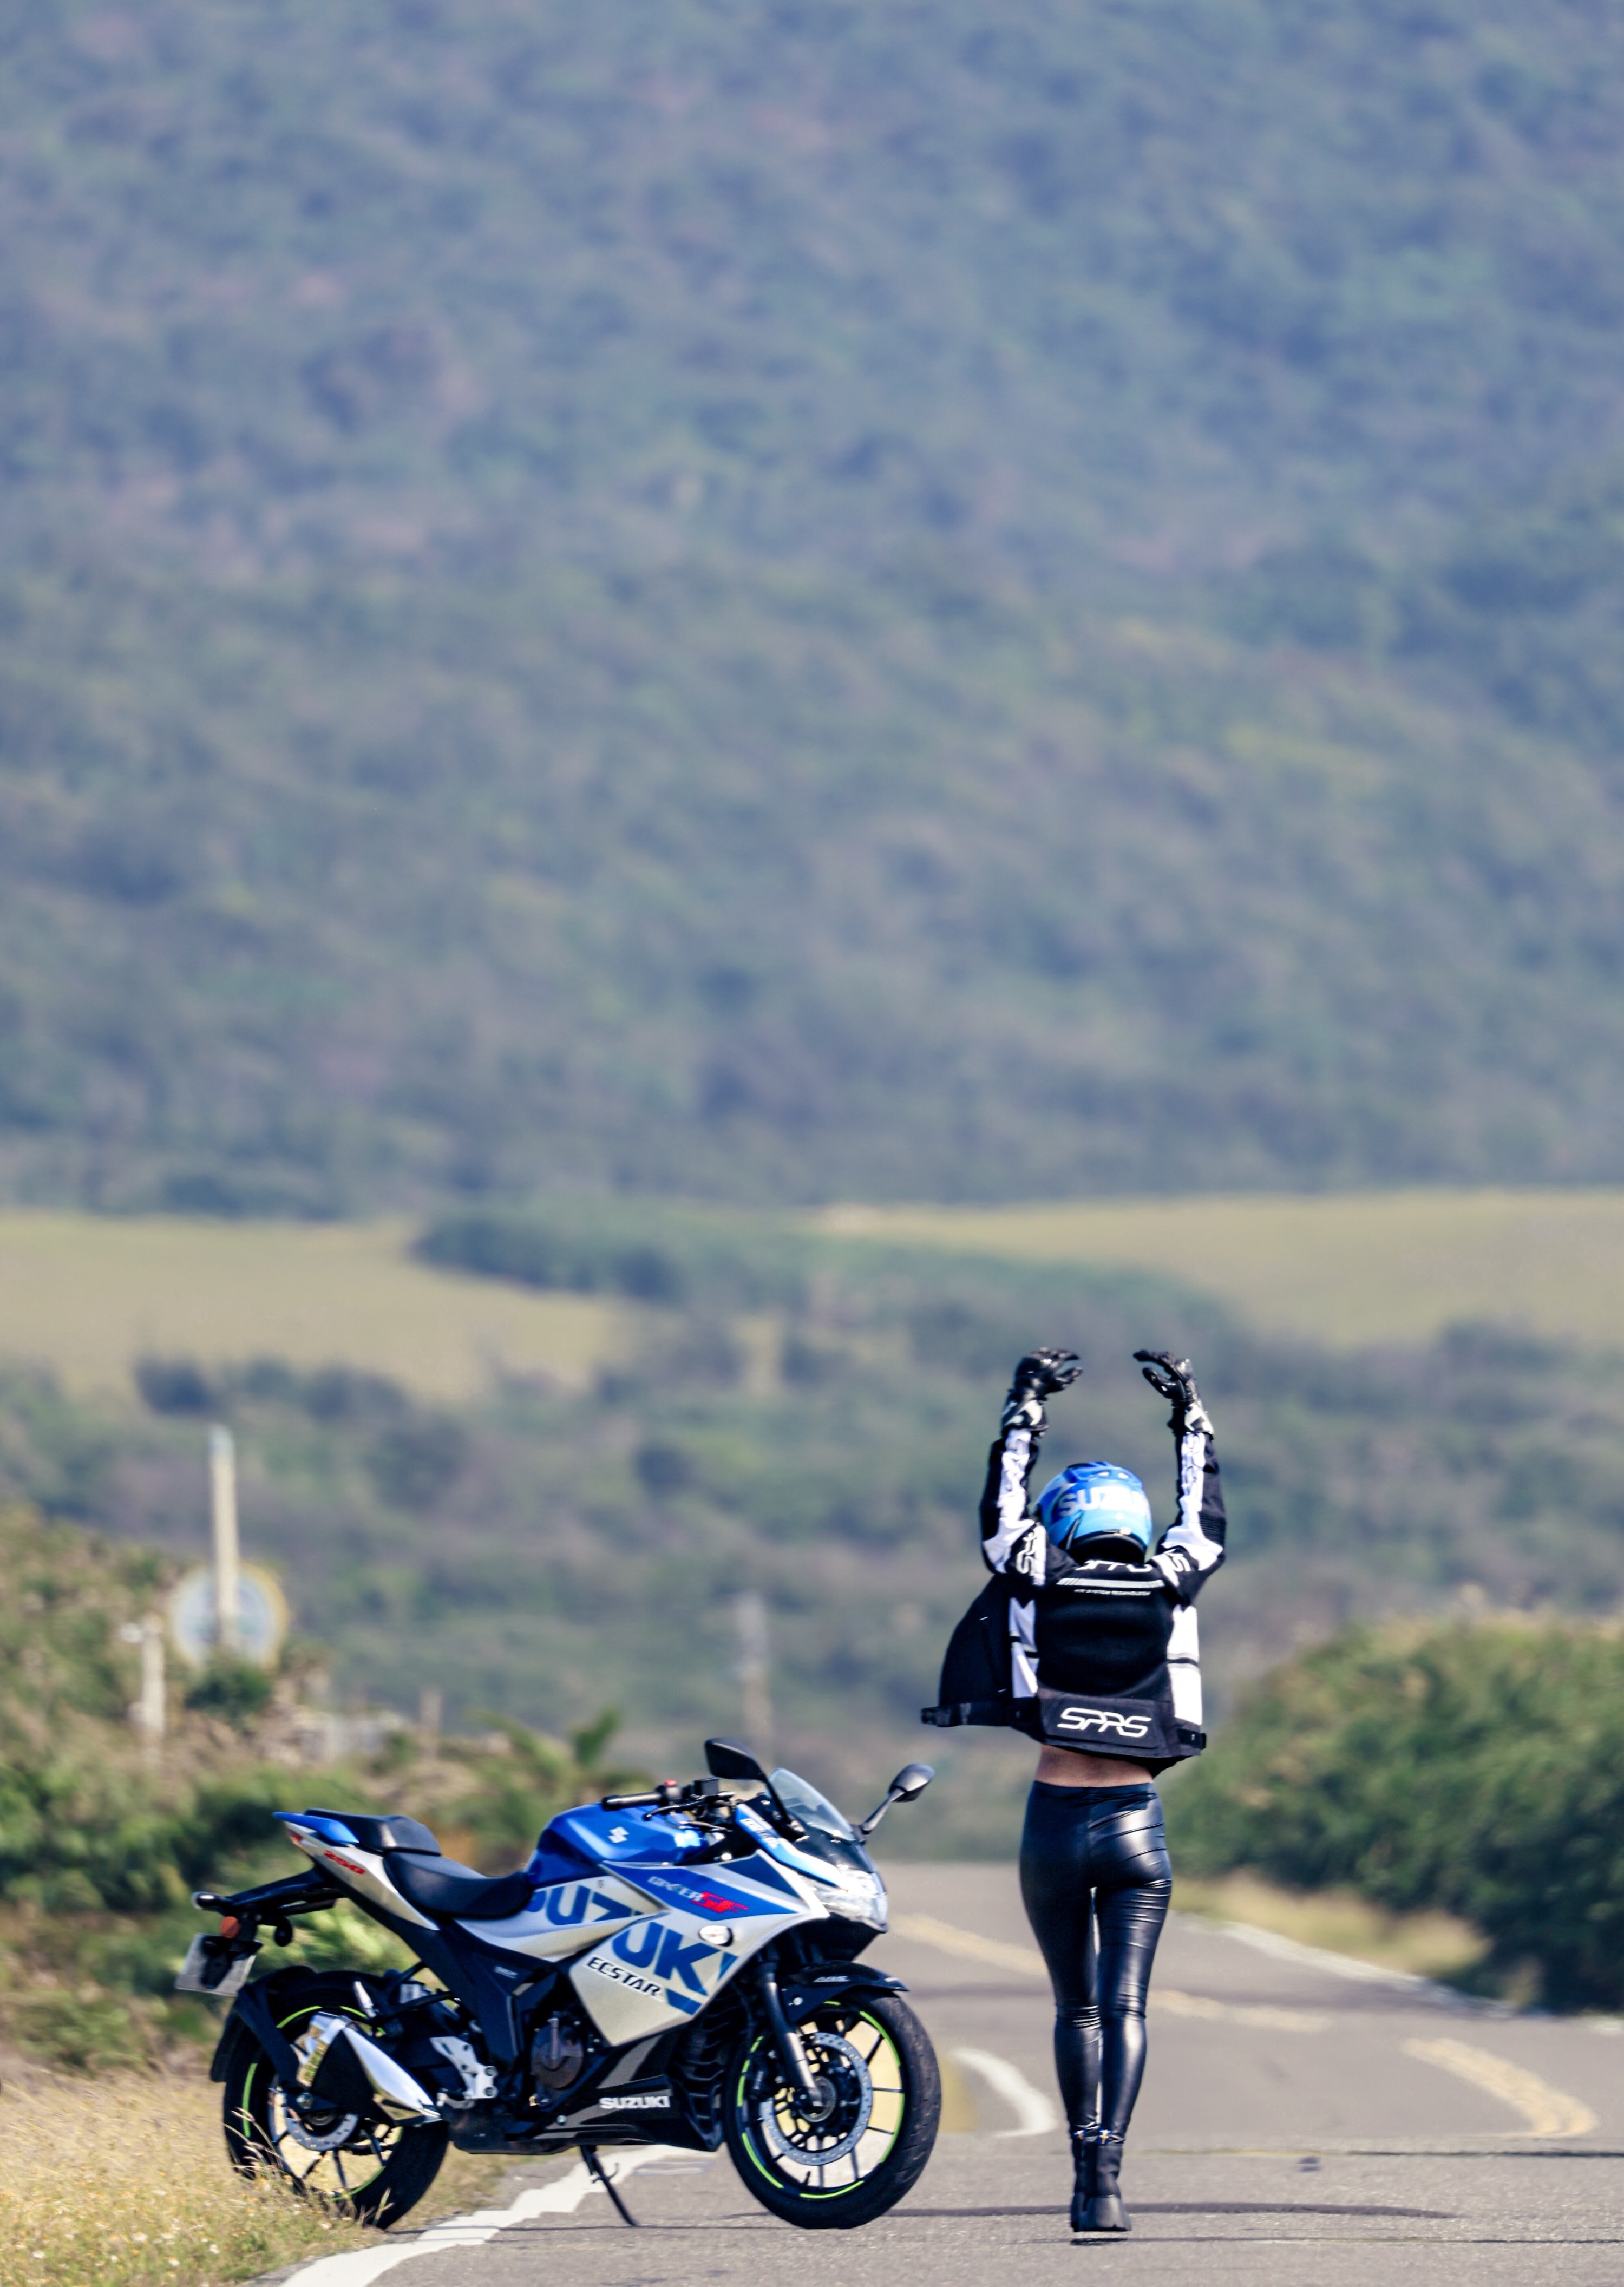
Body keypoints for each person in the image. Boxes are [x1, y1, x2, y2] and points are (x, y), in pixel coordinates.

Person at [923, 1346, 1227, 2236]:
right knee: (1126, 2004)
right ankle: (1107, 2182)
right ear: (1132, 1521)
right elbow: (1205, 1515)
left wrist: (1026, 1404)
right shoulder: (1171, 1578)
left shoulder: (1035, 1570)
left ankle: (1079, 2162)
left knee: (1076, 2006)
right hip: (1136, 1824)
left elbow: (1001, 1507)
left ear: (1066, 1518)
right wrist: (1190, 1411)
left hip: (1054, 1821)